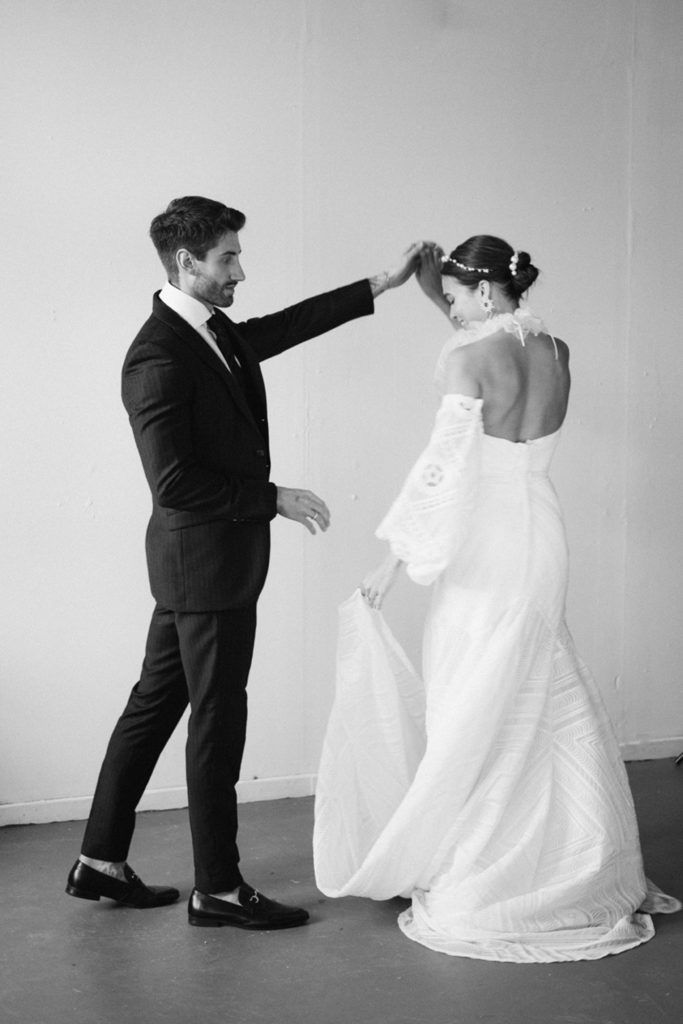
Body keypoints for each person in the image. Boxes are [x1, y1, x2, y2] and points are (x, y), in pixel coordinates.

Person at [313, 235, 680, 960]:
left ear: (481, 294)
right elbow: (491, 344)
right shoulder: (556, 349)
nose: (445, 309)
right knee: (533, 680)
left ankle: (489, 869)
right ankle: (573, 860)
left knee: (471, 690)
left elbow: (444, 469)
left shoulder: (463, 357)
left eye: (451, 297)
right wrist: (433, 286)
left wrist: (395, 562)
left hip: (485, 538)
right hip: (539, 531)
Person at [65, 195, 424, 930]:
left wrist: (376, 287)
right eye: (227, 258)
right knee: (217, 719)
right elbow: (174, 484)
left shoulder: (206, 329)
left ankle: (99, 861)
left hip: (196, 568)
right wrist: (272, 498)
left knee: (154, 706)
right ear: (186, 262)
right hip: (205, 563)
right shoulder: (158, 356)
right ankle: (218, 889)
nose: (240, 270)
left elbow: (273, 331)